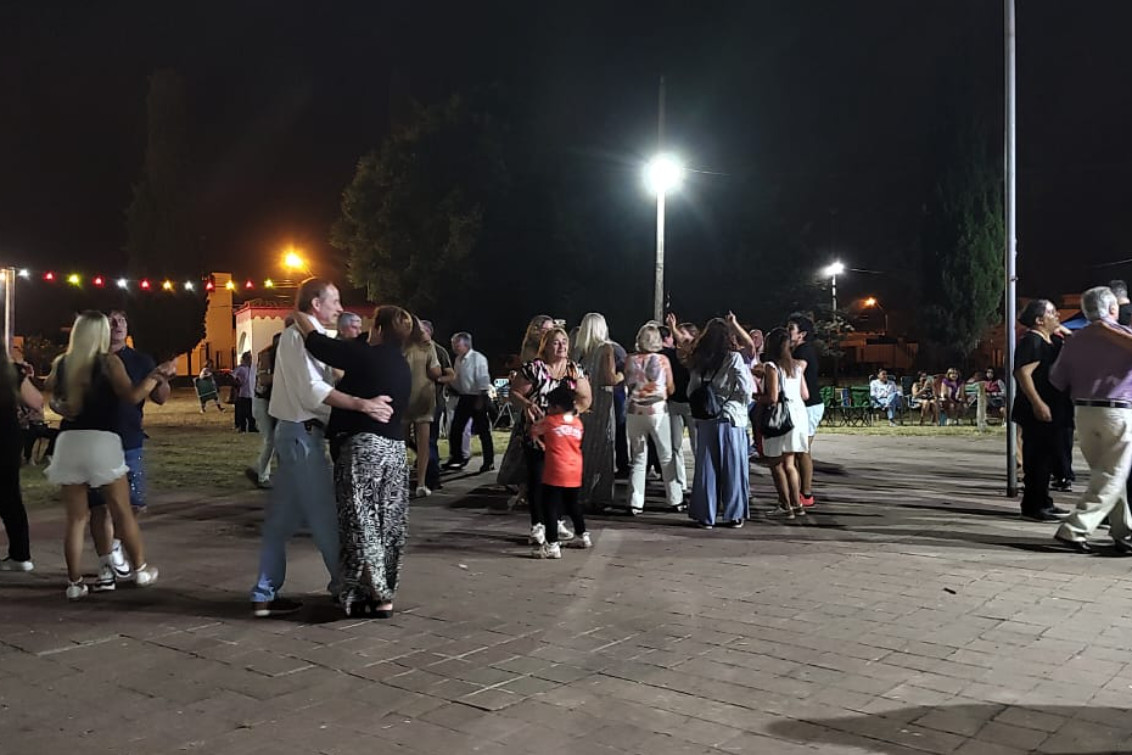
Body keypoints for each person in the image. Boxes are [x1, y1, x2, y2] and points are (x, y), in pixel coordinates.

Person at [250, 279, 393, 618]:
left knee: (279, 522)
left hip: (298, 434)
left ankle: (264, 593)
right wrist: (362, 405)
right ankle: (346, 589)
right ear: (316, 303)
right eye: (335, 300)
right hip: (301, 436)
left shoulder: (309, 338)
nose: (340, 308)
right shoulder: (298, 338)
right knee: (326, 517)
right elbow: (312, 391)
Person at [295, 304, 412, 617]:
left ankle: (375, 594)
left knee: (361, 521)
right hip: (395, 450)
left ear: (379, 330)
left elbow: (320, 345)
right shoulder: (402, 364)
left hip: (364, 447)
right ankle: (378, 589)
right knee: (389, 524)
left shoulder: (368, 356)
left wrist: (301, 316)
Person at [45, 311, 169, 599]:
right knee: (122, 510)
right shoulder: (108, 361)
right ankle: (140, 569)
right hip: (102, 440)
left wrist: (62, 406)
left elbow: (50, 397)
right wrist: (155, 376)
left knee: (76, 519)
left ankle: (75, 583)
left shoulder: (62, 363)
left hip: (69, 442)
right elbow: (132, 396)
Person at [84, 309, 172, 590]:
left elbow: (160, 398)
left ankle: (117, 545)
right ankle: (106, 565)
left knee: (133, 505)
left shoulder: (140, 359)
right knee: (100, 507)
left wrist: (162, 377)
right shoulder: (88, 360)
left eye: (122, 319)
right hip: (96, 439)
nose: (118, 324)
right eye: (111, 320)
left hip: (129, 439)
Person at [1051, 287, 1132, 553]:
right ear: (1112, 309)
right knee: (1113, 474)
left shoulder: (1075, 339)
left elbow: (1057, 379)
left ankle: (1124, 532)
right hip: (1117, 409)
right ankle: (1075, 528)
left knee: (1106, 474)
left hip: (1083, 411)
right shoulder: (1123, 336)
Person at [510, 327, 593, 544]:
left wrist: (572, 414)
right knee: (538, 479)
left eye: (564, 342)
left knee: (562, 481)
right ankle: (538, 524)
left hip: (563, 437)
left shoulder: (575, 370)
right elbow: (515, 393)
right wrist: (527, 404)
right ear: (545, 346)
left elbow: (586, 398)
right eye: (556, 342)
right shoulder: (534, 369)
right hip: (538, 431)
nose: (562, 346)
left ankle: (555, 520)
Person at [686, 318, 755, 528]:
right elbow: (745, 389)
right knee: (733, 467)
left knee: (707, 468)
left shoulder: (699, 360)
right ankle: (734, 514)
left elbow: (691, 390)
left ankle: (706, 515)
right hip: (731, 418)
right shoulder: (734, 358)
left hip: (706, 419)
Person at [1012, 299, 1073, 522]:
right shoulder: (1031, 341)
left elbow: (1074, 343)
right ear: (1039, 320)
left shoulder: (1050, 341)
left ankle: (1044, 500)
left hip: (1053, 407)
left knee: (1047, 457)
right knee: (1037, 458)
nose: (1057, 315)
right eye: (1051, 313)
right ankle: (1033, 505)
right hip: (1036, 410)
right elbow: (1022, 374)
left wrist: (1060, 329)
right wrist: (1038, 403)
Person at [622, 322, 683, 515]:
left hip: (634, 411)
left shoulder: (630, 360)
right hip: (657, 411)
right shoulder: (663, 360)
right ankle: (675, 498)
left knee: (638, 457)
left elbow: (629, 385)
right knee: (666, 455)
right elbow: (671, 387)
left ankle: (635, 501)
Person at [529, 386, 591, 558]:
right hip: (574, 467)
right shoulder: (577, 423)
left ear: (557, 407)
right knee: (573, 504)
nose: (548, 408)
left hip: (556, 468)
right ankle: (582, 535)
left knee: (550, 507)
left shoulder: (550, 421)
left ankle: (552, 545)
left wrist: (535, 418)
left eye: (550, 405)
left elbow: (534, 430)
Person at [497, 315, 554, 501]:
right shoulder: (533, 350)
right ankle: (523, 486)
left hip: (544, 401)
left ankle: (528, 487)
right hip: (533, 401)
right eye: (547, 329)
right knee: (528, 446)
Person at [760, 327, 811, 520]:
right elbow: (805, 394)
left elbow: (772, 397)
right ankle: (797, 505)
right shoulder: (797, 366)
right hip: (797, 415)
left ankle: (784, 504)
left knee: (775, 463)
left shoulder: (771, 366)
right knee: (790, 463)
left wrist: (755, 396)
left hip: (780, 417)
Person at [0, 347, 43, 571]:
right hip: (7, 438)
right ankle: (20, 555)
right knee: (10, 497)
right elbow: (36, 401)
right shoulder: (11, 371)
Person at [573, 313, 618, 511]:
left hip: (583, 402)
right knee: (604, 446)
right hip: (601, 402)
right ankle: (600, 495)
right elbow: (609, 378)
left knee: (583, 448)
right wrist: (623, 375)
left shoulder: (578, 352)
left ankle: (578, 491)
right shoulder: (605, 348)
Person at [444, 332, 495, 473]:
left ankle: (489, 461)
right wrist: (451, 384)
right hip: (465, 397)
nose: (454, 347)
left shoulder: (477, 358)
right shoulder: (459, 360)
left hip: (478, 396)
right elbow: (458, 380)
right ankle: (457, 458)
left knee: (483, 431)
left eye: (456, 344)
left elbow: (483, 378)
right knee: (456, 429)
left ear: (465, 344)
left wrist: (481, 397)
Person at [404, 317, 442, 497]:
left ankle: (400, 481)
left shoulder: (399, 343)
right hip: (423, 398)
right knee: (423, 443)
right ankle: (421, 482)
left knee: (400, 443)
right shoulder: (427, 345)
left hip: (402, 397)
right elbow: (436, 372)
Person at [787, 314, 822, 505]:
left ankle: (806, 494)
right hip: (802, 405)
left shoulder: (803, 351)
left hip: (810, 406)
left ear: (802, 334)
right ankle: (799, 490)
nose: (787, 332)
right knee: (797, 448)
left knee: (803, 449)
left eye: (791, 328)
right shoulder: (795, 350)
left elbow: (797, 371)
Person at [246, 329, 284, 490]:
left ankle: (264, 472)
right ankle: (262, 475)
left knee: (279, 439)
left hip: (273, 401)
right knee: (271, 439)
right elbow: (264, 380)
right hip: (263, 402)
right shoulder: (266, 356)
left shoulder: (278, 356)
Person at [420, 320, 455, 492]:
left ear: (428, 332)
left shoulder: (439, 351)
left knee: (429, 440)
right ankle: (423, 473)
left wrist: (435, 380)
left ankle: (432, 477)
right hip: (413, 402)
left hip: (433, 402)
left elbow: (451, 375)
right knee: (416, 441)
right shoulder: (412, 349)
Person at [662, 314, 695, 494]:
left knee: (698, 446)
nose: (679, 339)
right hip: (674, 403)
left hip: (692, 405)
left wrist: (673, 328)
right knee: (675, 446)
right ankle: (680, 484)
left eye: (684, 336)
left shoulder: (695, 355)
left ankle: (699, 481)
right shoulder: (668, 354)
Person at [232, 351, 257, 433]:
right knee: (243, 412)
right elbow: (232, 376)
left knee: (251, 412)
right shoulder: (240, 368)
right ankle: (242, 427)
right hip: (243, 393)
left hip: (252, 393)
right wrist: (237, 383)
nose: (249, 359)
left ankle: (252, 427)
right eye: (248, 358)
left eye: (250, 358)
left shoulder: (254, 367)